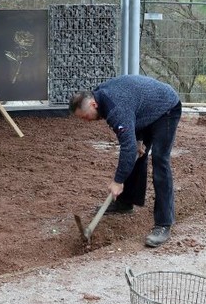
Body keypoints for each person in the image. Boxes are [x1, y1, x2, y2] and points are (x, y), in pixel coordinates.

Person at [69, 75, 182, 248]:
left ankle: (163, 225)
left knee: (159, 160)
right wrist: (138, 140)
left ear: (93, 104)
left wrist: (118, 181)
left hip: (165, 108)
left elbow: (126, 146)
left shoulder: (115, 109)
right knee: (137, 154)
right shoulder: (101, 95)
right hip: (143, 110)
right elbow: (131, 114)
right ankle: (126, 202)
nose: (86, 121)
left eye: (85, 117)